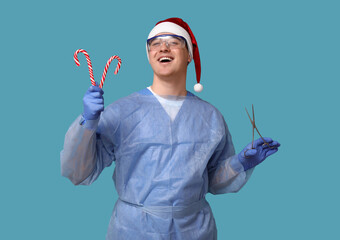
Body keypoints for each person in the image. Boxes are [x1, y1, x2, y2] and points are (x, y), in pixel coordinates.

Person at [60, 17, 280, 240]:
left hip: (194, 230)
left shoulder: (210, 117)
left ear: (189, 55)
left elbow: (211, 181)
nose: (163, 47)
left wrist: (240, 163)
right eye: (155, 43)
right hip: (134, 230)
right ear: (148, 55)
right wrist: (87, 121)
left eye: (174, 42)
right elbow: (78, 172)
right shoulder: (121, 112)